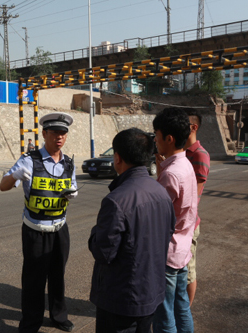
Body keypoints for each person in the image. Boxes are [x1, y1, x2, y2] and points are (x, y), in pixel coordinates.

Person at [89, 128, 176, 333]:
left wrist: (95, 232)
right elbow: (168, 232)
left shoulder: (116, 200)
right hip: (151, 292)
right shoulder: (160, 192)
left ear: (117, 157)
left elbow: (103, 252)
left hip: (121, 298)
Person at [0, 112, 78, 333]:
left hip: (60, 228)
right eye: (55, 133)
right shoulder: (28, 161)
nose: (59, 138)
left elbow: (71, 186)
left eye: (63, 134)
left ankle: (58, 316)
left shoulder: (69, 163)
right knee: (34, 280)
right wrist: (14, 176)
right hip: (35, 230)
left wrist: (71, 193)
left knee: (57, 275)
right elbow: (2, 186)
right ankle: (31, 322)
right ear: (44, 134)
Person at [152, 108, 198, 333]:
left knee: (164, 315)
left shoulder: (170, 174)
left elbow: (157, 215)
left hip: (168, 254)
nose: (155, 140)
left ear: (169, 139)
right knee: (181, 308)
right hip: (182, 250)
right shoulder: (184, 163)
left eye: (157, 135)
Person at [183, 108, 211, 307]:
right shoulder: (183, 153)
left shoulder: (199, 155)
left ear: (193, 127)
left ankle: (186, 310)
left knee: (188, 272)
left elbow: (194, 196)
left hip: (188, 222)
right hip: (179, 222)